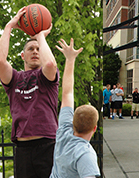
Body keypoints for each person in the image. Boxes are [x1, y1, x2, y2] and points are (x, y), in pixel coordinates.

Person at [0, 7, 58, 177]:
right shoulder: (14, 78)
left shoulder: (46, 77)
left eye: (38, 49)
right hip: (22, 149)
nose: (35, 51)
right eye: (31, 49)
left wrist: (39, 36)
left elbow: (50, 64)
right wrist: (9, 26)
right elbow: (0, 60)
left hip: (48, 145)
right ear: (23, 55)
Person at [49, 38, 100, 178]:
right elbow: (67, 93)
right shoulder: (85, 154)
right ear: (94, 128)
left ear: (73, 122)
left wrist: (70, 60)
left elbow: (67, 93)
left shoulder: (64, 132)